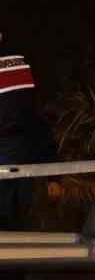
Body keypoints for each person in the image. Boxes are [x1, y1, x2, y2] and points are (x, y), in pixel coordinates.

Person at [0, 33, 52, 231]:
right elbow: (37, 116)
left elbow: (34, 116)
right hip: (22, 145)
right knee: (17, 212)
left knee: (10, 213)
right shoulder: (22, 59)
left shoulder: (16, 61)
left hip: (14, 144)